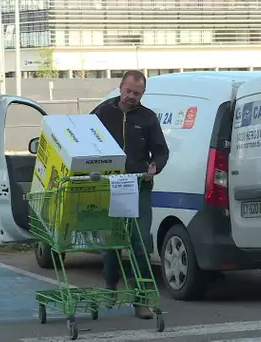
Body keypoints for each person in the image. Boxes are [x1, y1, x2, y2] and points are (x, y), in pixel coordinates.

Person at [91, 70, 169, 319]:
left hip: (138, 187)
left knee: (140, 242)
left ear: (143, 94)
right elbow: (84, 140)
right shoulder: (102, 113)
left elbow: (161, 151)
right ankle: (110, 285)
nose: (131, 96)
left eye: (137, 93)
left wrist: (155, 166)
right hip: (109, 186)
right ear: (120, 87)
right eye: (128, 91)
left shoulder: (148, 118)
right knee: (112, 241)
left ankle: (141, 299)